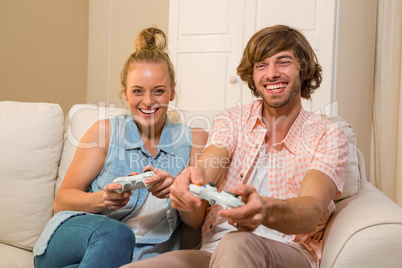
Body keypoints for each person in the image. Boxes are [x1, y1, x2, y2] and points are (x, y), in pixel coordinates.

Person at [122, 25, 349, 268]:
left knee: (237, 243)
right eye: (261, 65)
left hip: (289, 251)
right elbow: (207, 169)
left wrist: (265, 209)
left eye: (283, 62)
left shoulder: (328, 134)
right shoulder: (232, 121)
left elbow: (311, 210)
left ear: (303, 68)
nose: (271, 74)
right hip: (213, 252)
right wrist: (187, 186)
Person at [33, 27, 208, 268]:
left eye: (158, 91)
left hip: (136, 259)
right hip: (75, 238)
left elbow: (197, 220)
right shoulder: (105, 132)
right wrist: (103, 199)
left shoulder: (194, 141)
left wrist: (176, 193)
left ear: (173, 92)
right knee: (117, 234)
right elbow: (62, 201)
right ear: (124, 93)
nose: (148, 102)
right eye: (138, 91)